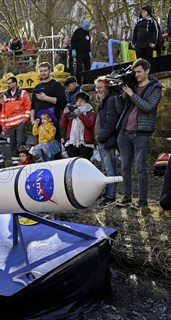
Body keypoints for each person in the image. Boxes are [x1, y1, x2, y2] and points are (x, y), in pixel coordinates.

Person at [115, 58, 163, 209]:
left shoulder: (155, 88)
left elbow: (148, 107)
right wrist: (120, 93)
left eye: (139, 72)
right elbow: (120, 109)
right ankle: (127, 197)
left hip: (141, 134)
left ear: (147, 71)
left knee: (141, 168)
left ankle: (142, 201)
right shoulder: (132, 86)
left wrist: (131, 94)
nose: (136, 75)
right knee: (125, 167)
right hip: (124, 132)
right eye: (134, 72)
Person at [94, 77, 121, 207]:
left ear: (106, 87)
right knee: (105, 170)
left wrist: (101, 137)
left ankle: (111, 196)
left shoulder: (110, 100)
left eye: (99, 87)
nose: (97, 90)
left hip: (107, 140)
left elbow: (111, 123)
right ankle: (107, 193)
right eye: (96, 87)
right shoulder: (105, 100)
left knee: (110, 170)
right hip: (103, 140)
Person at [30, 62, 67, 158]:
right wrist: (32, 120)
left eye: (45, 70)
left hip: (52, 123)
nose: (43, 73)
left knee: (54, 151)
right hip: (39, 124)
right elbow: (32, 106)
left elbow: (62, 101)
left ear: (50, 71)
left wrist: (46, 98)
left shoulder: (56, 85)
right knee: (42, 152)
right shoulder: (37, 88)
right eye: (41, 71)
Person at [1, 76, 32, 166]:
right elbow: (3, 111)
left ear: (15, 83)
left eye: (10, 83)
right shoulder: (5, 96)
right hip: (10, 125)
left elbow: (27, 106)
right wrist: (3, 125)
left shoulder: (23, 93)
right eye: (7, 83)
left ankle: (24, 162)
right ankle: (15, 163)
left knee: (20, 142)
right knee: (12, 144)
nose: (8, 85)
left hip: (19, 123)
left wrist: (25, 120)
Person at [61, 91, 96, 160]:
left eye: (82, 101)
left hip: (85, 141)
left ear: (86, 102)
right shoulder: (72, 113)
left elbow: (90, 124)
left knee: (85, 161)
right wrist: (65, 114)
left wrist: (80, 115)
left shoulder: (90, 113)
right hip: (72, 141)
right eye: (77, 101)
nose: (79, 103)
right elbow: (63, 125)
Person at [70, 20, 92, 85]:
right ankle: (79, 83)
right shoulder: (77, 31)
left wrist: (90, 51)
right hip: (79, 53)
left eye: (88, 26)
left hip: (86, 53)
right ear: (83, 24)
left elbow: (88, 43)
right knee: (79, 68)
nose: (86, 27)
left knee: (88, 67)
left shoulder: (87, 32)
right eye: (86, 26)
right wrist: (73, 50)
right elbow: (73, 41)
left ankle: (87, 81)